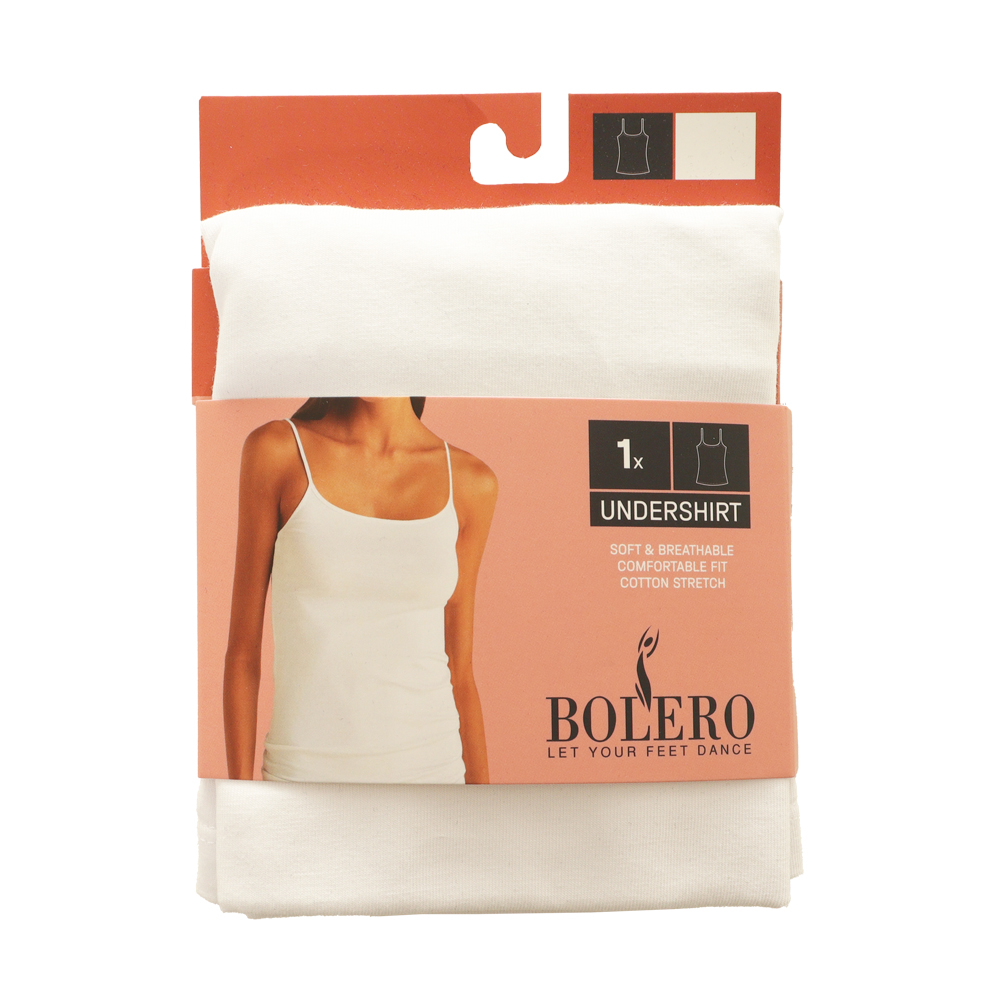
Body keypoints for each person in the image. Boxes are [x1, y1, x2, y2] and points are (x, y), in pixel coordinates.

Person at [223, 396, 497, 784]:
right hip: (303, 778)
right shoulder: (279, 451)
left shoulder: (471, 482)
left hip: (435, 775)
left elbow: (462, 674)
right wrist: (239, 800)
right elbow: (242, 653)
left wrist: (486, 807)